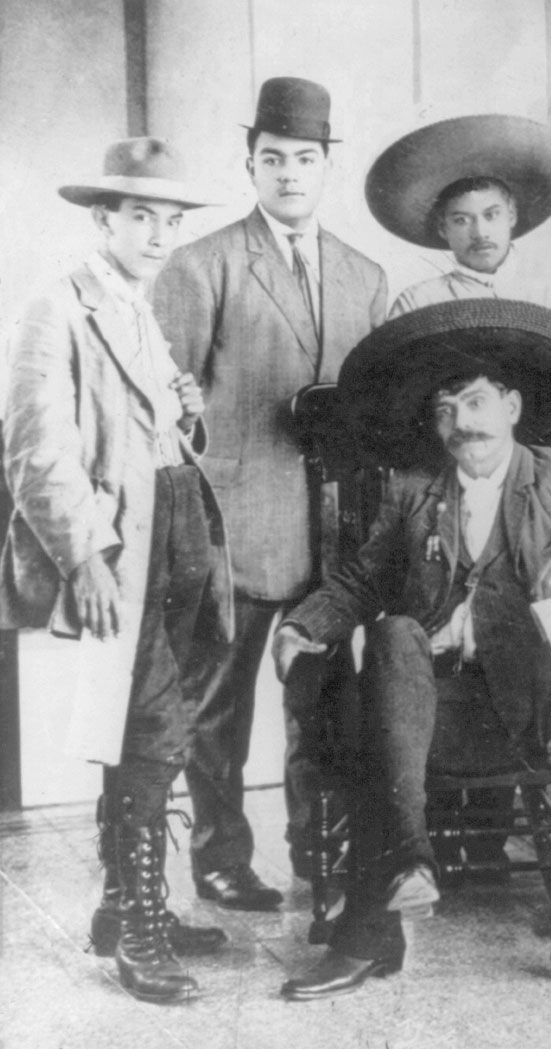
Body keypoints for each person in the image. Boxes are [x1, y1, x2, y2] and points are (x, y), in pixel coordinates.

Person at [268, 298, 551, 999]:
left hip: (523, 709)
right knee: (395, 634)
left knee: (372, 729)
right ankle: (406, 871)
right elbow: (360, 579)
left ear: (514, 406)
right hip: (425, 706)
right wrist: (302, 626)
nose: (465, 423)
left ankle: (369, 930)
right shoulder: (413, 491)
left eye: (478, 402)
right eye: (446, 409)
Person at [1, 139, 234, 1002]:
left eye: (171, 221)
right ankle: (139, 923)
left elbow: (148, 426)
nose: (160, 235)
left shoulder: (140, 306)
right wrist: (85, 557)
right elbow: (35, 450)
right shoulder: (54, 308)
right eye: (143, 217)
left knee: (158, 721)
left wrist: (186, 415)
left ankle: (122, 902)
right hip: (120, 546)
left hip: (175, 526)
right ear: (104, 219)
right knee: (148, 725)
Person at [153, 77, 389, 910]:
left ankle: (319, 862)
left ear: (329, 164)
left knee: (321, 711)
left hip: (332, 536)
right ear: (250, 163)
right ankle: (219, 859)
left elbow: (378, 409)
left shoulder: (366, 275)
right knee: (218, 709)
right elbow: (163, 413)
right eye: (273, 158)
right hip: (233, 530)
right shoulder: (201, 264)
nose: (290, 173)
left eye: (305, 158)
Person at [368, 114, 551, 320]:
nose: (480, 233)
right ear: (443, 228)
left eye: (491, 215)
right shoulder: (417, 303)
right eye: (461, 220)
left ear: (511, 216)